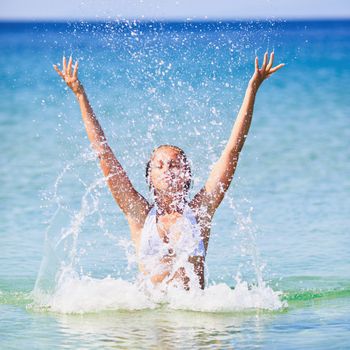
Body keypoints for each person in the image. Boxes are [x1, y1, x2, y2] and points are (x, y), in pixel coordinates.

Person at [53, 52, 284, 290]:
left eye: (174, 164)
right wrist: (80, 96)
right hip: (150, 318)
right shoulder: (140, 216)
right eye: (159, 165)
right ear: (149, 176)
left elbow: (232, 150)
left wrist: (252, 89)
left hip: (192, 317)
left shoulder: (200, 211)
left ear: (187, 173)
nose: (167, 170)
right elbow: (103, 153)